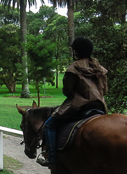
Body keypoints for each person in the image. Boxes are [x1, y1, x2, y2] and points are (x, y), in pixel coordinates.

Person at [37, 37, 108, 167]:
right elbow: (105, 90)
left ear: (76, 51)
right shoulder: (100, 68)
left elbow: (67, 92)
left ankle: (51, 158)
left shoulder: (73, 68)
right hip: (99, 106)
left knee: (49, 125)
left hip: (80, 107)